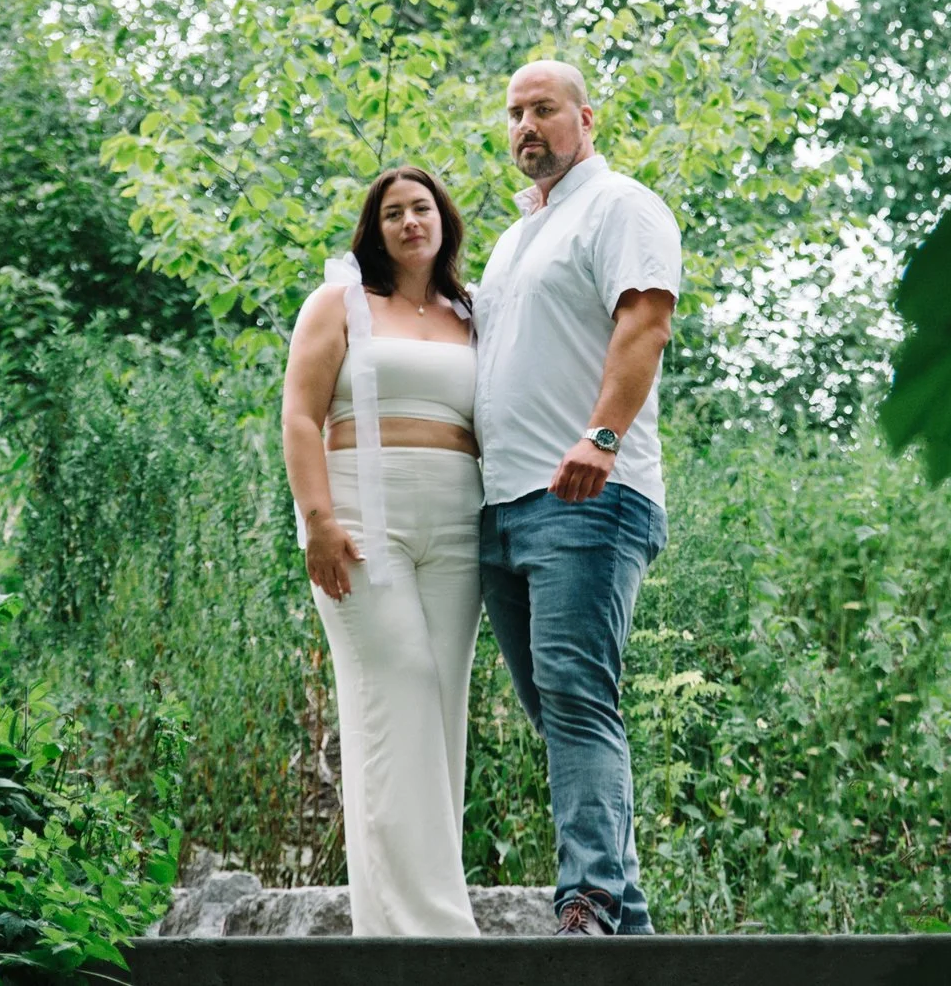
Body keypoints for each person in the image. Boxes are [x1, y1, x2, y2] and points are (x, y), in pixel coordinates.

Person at [471, 60, 681, 936]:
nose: (527, 125)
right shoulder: (514, 238)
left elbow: (646, 321)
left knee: (577, 697)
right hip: (503, 509)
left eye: (544, 108)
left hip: (586, 497)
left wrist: (602, 436)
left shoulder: (620, 205)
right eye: (514, 112)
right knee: (557, 711)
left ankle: (588, 900)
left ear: (586, 119)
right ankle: (622, 927)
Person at [278, 165, 483, 936]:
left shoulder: (472, 312)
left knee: (441, 710)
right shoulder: (339, 303)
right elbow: (301, 416)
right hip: (363, 518)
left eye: (421, 208)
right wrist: (317, 521)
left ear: (443, 221)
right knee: (396, 689)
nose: (409, 222)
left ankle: (393, 929)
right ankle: (437, 934)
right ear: (376, 229)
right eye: (393, 212)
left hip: (459, 522)